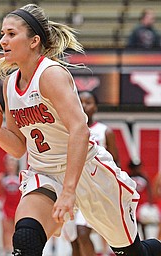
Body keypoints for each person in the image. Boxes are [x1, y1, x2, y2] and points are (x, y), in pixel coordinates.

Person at [0, 4, 161, 256]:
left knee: (130, 252)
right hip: (45, 173)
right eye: (2, 33)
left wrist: (70, 191)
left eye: (11, 34)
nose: (2, 40)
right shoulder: (9, 84)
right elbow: (18, 147)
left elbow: (80, 131)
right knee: (26, 240)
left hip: (86, 172)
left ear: (33, 41)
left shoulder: (51, 74)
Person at [67, 90, 120, 256]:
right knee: (74, 240)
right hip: (71, 188)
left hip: (94, 189)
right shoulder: (67, 130)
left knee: (82, 233)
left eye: (88, 102)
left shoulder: (105, 131)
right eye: (80, 101)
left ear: (95, 107)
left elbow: (115, 163)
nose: (83, 105)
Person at [0, 154, 21, 256]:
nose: (11, 164)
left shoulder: (21, 177)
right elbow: (1, 192)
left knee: (17, 229)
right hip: (7, 205)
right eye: (9, 162)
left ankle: (16, 250)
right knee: (7, 229)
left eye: (13, 162)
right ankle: (7, 250)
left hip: (17, 206)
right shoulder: (2, 177)